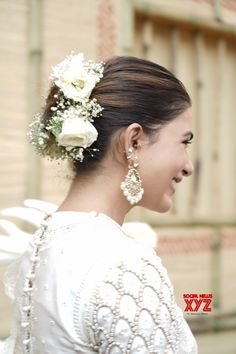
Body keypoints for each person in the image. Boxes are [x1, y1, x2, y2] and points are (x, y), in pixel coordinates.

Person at [2, 53, 197, 353]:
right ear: (134, 141)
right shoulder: (124, 267)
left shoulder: (41, 243)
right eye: (184, 142)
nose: (188, 166)